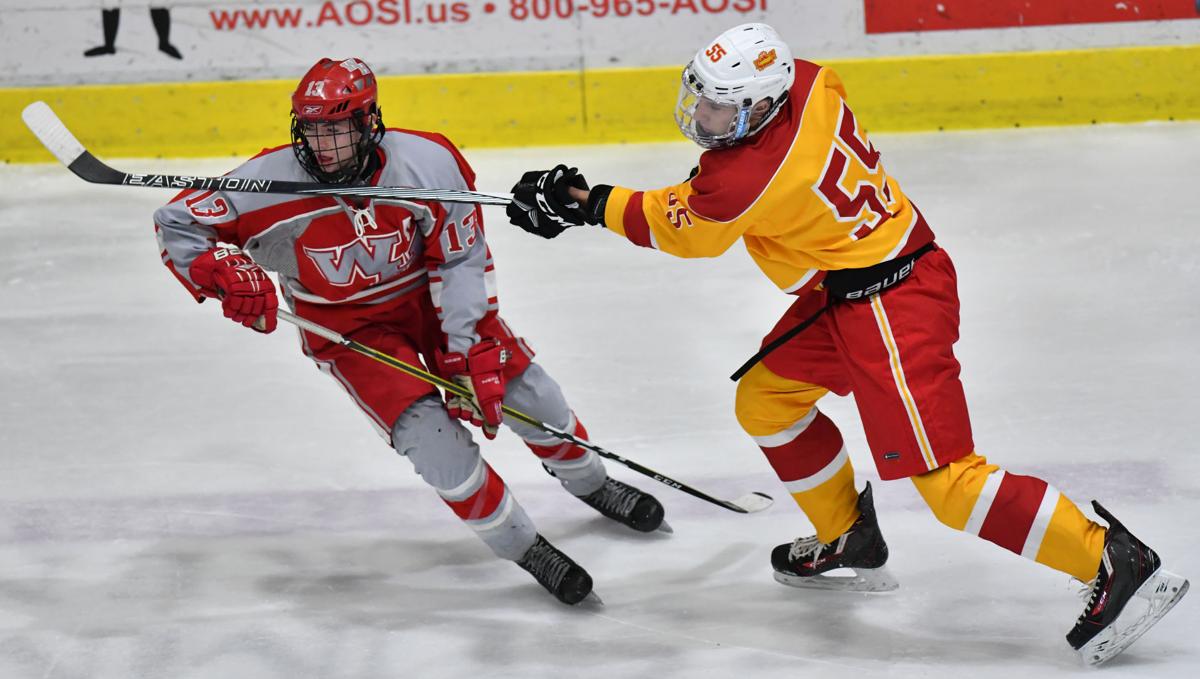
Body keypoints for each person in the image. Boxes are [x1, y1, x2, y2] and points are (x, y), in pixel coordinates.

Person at [504, 23, 1188, 662]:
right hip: (852, 282)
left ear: (764, 106)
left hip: (896, 301)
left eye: (722, 111)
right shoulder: (809, 80)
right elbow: (711, 194)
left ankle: (1108, 558)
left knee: (949, 484)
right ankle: (849, 534)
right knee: (766, 401)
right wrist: (587, 198)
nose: (705, 120)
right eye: (703, 102)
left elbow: (680, 224)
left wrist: (584, 203)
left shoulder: (746, 177)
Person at [152, 57, 666, 606]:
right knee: (436, 447)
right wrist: (220, 270)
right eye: (313, 130)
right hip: (349, 330)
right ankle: (523, 545)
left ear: (369, 123)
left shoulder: (427, 162)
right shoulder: (265, 183)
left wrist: (466, 349)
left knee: (529, 394)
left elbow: (461, 258)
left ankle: (594, 484)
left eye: (338, 129)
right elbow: (178, 222)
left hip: (431, 299)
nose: (324, 147)